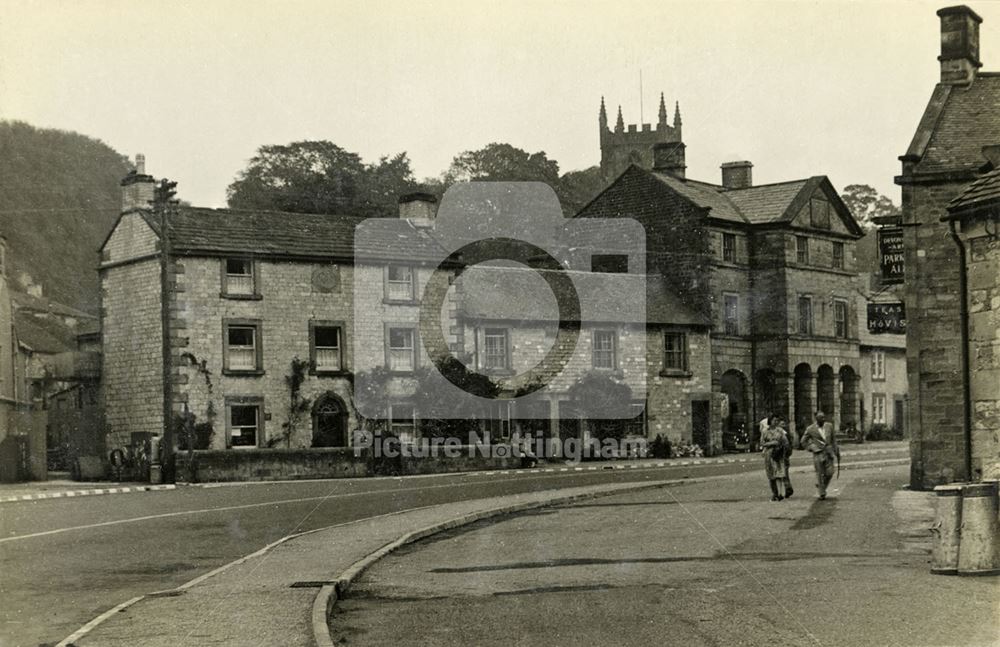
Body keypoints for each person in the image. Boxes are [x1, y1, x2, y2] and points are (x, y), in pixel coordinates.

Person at [800, 411, 839, 500]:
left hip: (828, 453)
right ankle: (822, 493)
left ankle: (821, 486)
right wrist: (811, 447)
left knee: (830, 472)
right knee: (820, 473)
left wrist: (836, 451)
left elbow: (833, 439)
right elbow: (803, 441)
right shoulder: (810, 429)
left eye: (824, 417)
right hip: (818, 454)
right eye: (821, 418)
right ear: (816, 419)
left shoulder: (829, 426)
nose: (823, 419)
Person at [760, 415, 789, 501]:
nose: (776, 422)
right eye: (774, 420)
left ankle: (780, 493)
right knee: (771, 475)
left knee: (779, 474)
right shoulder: (765, 431)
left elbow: (785, 441)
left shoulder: (780, 431)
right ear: (770, 421)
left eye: (777, 420)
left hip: (778, 454)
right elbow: (762, 443)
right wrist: (773, 443)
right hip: (769, 455)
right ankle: (774, 493)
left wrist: (780, 446)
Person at [777, 415, 796, 498]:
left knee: (783, 474)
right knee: (783, 474)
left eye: (784, 424)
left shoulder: (785, 435)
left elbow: (789, 447)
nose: (783, 426)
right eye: (781, 424)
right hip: (780, 457)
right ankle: (786, 489)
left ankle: (787, 488)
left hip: (783, 457)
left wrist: (786, 455)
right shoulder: (783, 434)